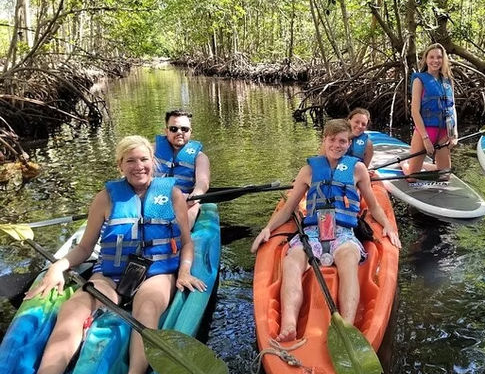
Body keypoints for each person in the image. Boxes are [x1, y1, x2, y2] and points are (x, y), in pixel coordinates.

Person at [26, 136, 206, 374]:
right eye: (130, 160)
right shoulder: (106, 197)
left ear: (153, 162)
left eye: (143, 159)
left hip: (157, 272)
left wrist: (183, 271)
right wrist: (58, 267)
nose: (138, 166)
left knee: (148, 308)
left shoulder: (172, 195)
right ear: (120, 165)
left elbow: (186, 242)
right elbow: (85, 248)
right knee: (74, 308)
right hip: (111, 273)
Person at [250, 119, 401, 342]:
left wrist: (387, 225)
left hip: (343, 233)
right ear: (325, 140)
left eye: (342, 141)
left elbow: (373, 205)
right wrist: (267, 228)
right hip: (312, 234)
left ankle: (347, 327)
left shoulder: (357, 169)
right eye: (332, 140)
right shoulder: (309, 170)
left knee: (348, 259)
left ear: (348, 144)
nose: (336, 145)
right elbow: (289, 207)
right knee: (292, 262)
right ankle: (289, 324)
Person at [403, 43, 458, 178]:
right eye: (431, 57)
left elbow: (452, 107)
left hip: (444, 132)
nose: (435, 61)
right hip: (426, 131)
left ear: (443, 59)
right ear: (426, 59)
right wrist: (425, 138)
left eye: (439, 57)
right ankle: (405, 165)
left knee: (444, 176)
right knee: (412, 178)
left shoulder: (448, 80)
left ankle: (426, 166)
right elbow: (415, 111)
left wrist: (454, 132)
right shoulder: (419, 79)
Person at [155, 110, 210, 227]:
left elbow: (203, 183)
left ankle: (182, 237)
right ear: (166, 131)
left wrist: (194, 196)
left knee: (194, 205)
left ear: (190, 131)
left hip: (184, 201)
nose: (179, 132)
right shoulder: (150, 151)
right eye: (174, 129)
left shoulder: (200, 157)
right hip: (154, 198)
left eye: (184, 129)